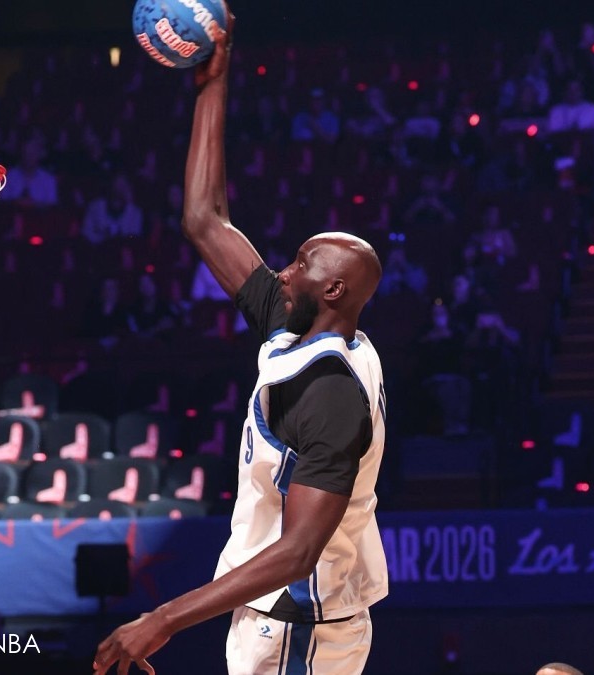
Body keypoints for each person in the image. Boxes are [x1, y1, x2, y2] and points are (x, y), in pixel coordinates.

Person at [94, 11, 388, 675]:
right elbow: (205, 220)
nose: (282, 270)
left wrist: (162, 619)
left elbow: (298, 552)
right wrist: (212, 84)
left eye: (300, 262)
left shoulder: (329, 396)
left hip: (302, 630)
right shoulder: (302, 326)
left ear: (333, 289)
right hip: (279, 621)